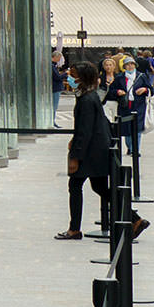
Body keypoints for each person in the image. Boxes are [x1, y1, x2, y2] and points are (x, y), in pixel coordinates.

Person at [61, 71, 115, 240]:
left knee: (75, 186)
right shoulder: (90, 97)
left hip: (89, 151)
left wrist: (75, 156)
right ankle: (134, 218)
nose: (70, 78)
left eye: (74, 75)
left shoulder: (86, 100)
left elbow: (85, 130)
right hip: (96, 149)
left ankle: (74, 229)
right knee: (100, 188)